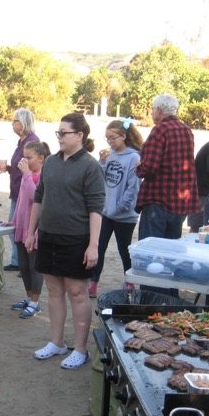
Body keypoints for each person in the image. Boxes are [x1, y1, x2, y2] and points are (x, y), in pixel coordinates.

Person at [25, 113, 104, 370]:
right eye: (58, 132)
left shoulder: (90, 166)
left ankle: (80, 349)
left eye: (64, 133)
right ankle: (56, 342)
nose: (59, 137)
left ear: (80, 135)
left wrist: (93, 245)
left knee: (78, 293)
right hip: (48, 236)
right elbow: (39, 198)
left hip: (76, 239)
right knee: (54, 290)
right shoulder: (50, 163)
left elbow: (95, 209)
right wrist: (30, 231)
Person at [88, 119, 143, 299]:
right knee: (99, 247)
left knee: (124, 249)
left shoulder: (134, 157)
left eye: (112, 138)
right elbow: (101, 177)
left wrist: (121, 207)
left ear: (124, 137)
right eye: (107, 138)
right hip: (106, 212)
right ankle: (93, 282)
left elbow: (132, 187)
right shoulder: (110, 154)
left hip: (124, 215)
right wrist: (102, 162)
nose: (110, 142)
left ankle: (129, 281)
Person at [135, 93, 198, 240]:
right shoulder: (186, 130)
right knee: (170, 250)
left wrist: (138, 167)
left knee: (149, 249)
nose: (151, 113)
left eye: (152, 109)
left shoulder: (160, 130)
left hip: (159, 199)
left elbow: (149, 167)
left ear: (158, 110)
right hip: (179, 201)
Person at [4, 141, 51, 318]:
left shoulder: (41, 177)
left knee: (34, 266)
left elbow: (34, 196)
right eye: (24, 157)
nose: (25, 161)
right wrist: (13, 220)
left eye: (29, 157)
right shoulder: (28, 176)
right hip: (22, 226)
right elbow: (21, 201)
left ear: (41, 158)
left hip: (36, 229)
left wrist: (26, 175)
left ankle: (35, 302)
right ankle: (29, 297)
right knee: (23, 266)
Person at [2, 108, 39, 272]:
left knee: (19, 227)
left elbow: (32, 168)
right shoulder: (21, 141)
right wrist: (8, 168)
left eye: (15, 121)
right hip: (17, 189)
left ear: (23, 123)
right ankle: (18, 261)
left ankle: (21, 262)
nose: (12, 124)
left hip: (26, 191)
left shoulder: (32, 141)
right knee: (14, 226)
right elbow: (21, 167)